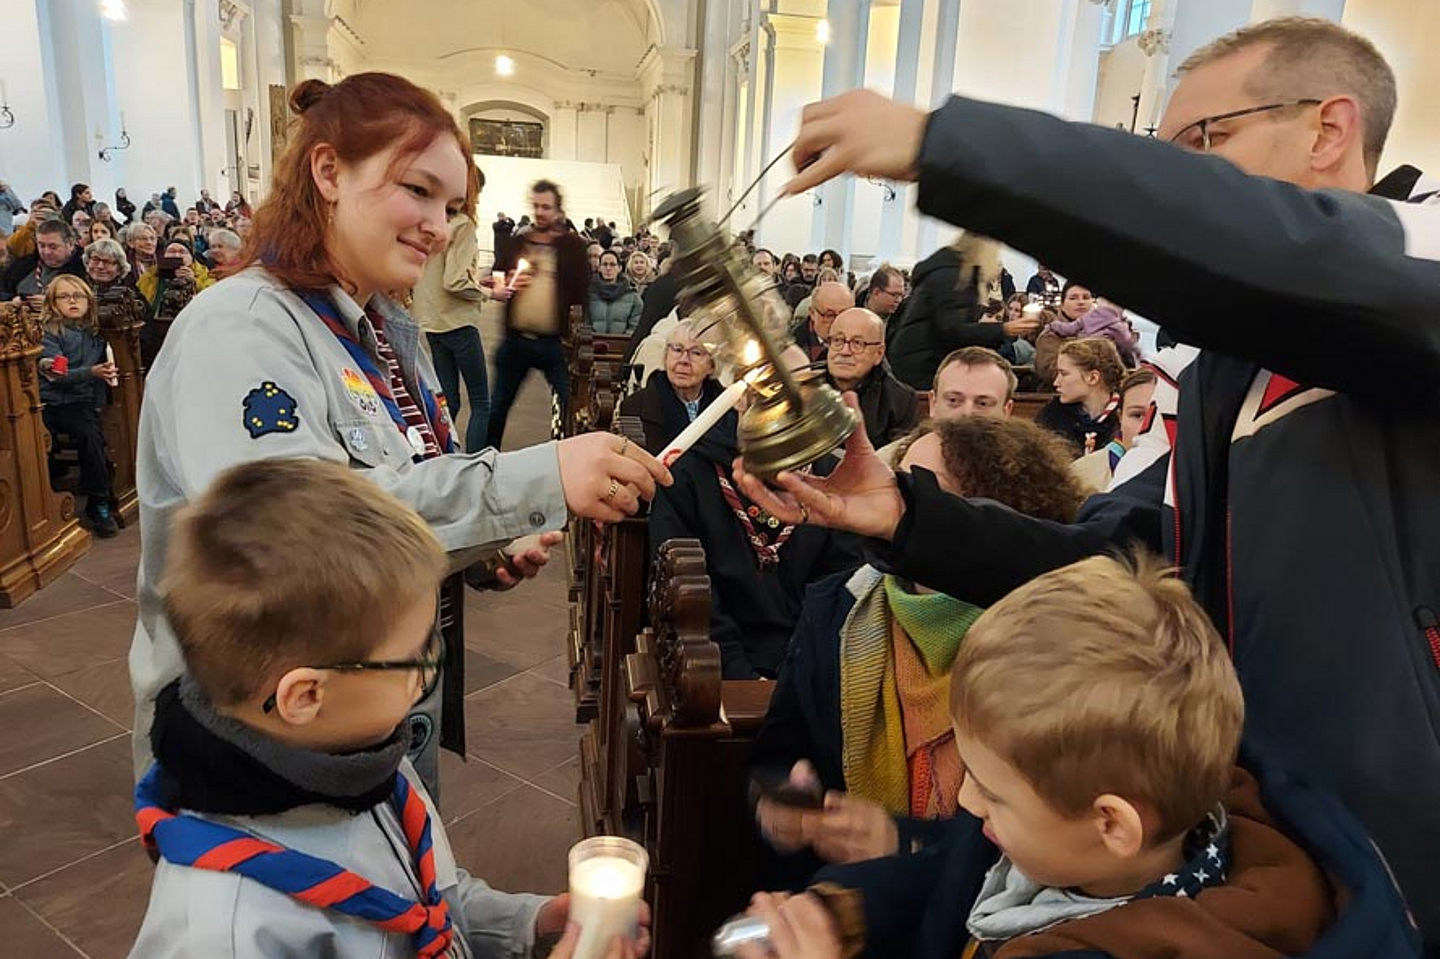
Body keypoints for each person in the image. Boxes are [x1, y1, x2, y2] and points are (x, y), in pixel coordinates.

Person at [738, 18, 1440, 949]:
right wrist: (908, 517)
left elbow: (1286, 254)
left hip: (1401, 866)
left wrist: (951, 145)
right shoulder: (1233, 369)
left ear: (1329, 128)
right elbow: (1124, 570)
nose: (1181, 180)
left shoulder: (1416, 265)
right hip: (1264, 838)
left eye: (1203, 143)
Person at [129, 74, 670, 796]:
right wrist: (539, 478)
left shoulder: (386, 328)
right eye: (418, 191)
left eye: (452, 207)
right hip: (261, 748)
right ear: (329, 172)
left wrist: (478, 548)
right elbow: (292, 547)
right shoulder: (240, 330)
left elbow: (397, 481)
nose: (440, 228)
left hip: (377, 714)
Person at [744, 556, 1422, 959]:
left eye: (991, 790)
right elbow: (957, 876)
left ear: (1112, 823)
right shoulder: (1080, 837)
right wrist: (846, 911)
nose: (968, 800)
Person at [128, 458, 651, 959]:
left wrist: (525, 925)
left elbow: (420, 900)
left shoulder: (355, 753)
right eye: (413, 658)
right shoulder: (223, 933)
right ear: (306, 696)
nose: (429, 670)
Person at [751, 418, 1083, 885]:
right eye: (899, 481)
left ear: (999, 521)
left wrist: (905, 841)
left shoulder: (1053, 641)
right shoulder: (839, 608)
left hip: (972, 904)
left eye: (926, 490)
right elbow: (778, 752)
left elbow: (1062, 836)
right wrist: (783, 801)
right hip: (841, 892)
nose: (898, 503)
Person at [648, 407, 860, 681]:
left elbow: (840, 592)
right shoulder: (688, 472)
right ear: (740, 400)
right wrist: (742, 677)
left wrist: (798, 678)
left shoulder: (834, 479)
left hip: (810, 666)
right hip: (708, 664)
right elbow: (685, 599)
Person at [487, 178, 590, 449]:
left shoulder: (573, 247)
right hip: (516, 340)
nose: (540, 212)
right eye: (536, 206)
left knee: (570, 403)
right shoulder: (519, 242)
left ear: (558, 210)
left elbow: (582, 292)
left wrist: (576, 333)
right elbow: (497, 274)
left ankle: (573, 457)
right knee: (497, 408)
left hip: (554, 343)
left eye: (546, 207)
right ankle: (486, 459)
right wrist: (505, 281)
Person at [412, 164, 493, 453]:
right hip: (458, 322)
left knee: (448, 401)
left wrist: (476, 280)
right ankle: (476, 464)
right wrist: (489, 292)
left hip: (432, 322)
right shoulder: (463, 225)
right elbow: (455, 281)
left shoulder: (433, 220)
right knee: (481, 402)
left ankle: (441, 455)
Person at [886, 236, 1038, 390]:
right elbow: (953, 330)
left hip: (920, 361)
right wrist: (1003, 329)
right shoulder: (953, 276)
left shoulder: (952, 271)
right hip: (921, 367)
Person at [37, 276, 118, 536]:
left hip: (79, 402)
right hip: (48, 402)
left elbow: (103, 374)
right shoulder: (50, 332)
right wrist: (91, 372)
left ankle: (99, 502)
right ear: (53, 303)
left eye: (78, 296)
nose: (72, 301)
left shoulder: (94, 334)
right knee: (35, 441)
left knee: (91, 437)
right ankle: (40, 505)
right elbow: (57, 375)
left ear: (88, 301)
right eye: (64, 296)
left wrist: (99, 404)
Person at [618, 320, 726, 454]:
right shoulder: (637, 405)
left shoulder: (727, 407)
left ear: (712, 366)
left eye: (696, 353)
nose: (684, 360)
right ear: (666, 357)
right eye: (677, 350)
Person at [826, 307, 919, 448]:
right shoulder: (807, 389)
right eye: (838, 340)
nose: (845, 351)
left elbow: (896, 457)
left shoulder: (901, 401)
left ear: (879, 353)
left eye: (857, 343)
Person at [1035, 338, 1125, 456]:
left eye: (1064, 374)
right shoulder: (1052, 415)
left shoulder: (1126, 416)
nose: (1056, 382)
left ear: (1092, 378)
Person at [1072, 367, 1156, 493]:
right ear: (1120, 417)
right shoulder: (1080, 476)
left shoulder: (1186, 476)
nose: (1146, 427)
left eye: (1159, 416)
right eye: (1137, 415)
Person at [2, 217, 86, 304]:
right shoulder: (23, 265)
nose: (47, 252)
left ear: (70, 244)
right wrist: (12, 300)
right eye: (42, 246)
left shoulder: (85, 268)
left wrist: (53, 304)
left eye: (53, 247)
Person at [137, 239, 215, 307]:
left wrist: (194, 281)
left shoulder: (204, 274)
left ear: (191, 257)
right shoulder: (151, 274)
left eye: (182, 252)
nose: (176, 255)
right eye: (171, 251)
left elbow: (210, 297)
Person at [792, 280, 853, 362]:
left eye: (844, 314)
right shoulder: (791, 348)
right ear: (812, 313)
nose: (837, 322)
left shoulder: (865, 340)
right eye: (830, 315)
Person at [589, 249, 643, 336]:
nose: (608, 268)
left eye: (612, 265)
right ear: (599, 268)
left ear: (619, 268)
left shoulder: (632, 296)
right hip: (593, 341)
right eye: (604, 264)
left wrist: (625, 338)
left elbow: (635, 324)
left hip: (622, 342)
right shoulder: (590, 294)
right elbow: (585, 323)